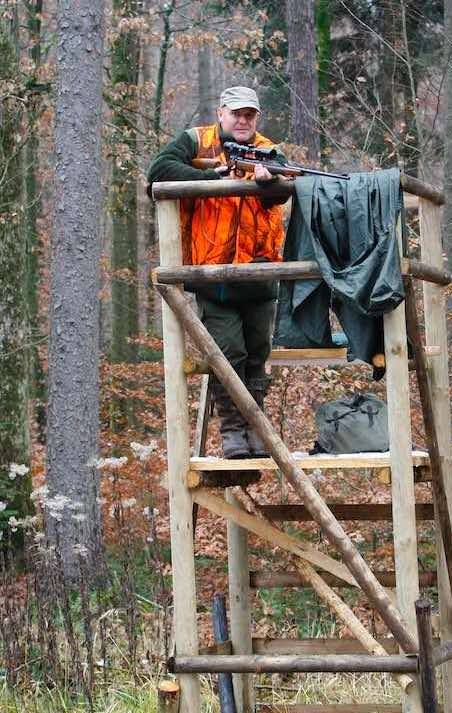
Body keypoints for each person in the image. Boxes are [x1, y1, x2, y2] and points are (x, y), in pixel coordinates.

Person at [147, 86, 289, 458]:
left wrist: (267, 181)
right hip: (213, 274)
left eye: (250, 115)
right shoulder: (197, 141)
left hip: (258, 273)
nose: (243, 121)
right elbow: (159, 171)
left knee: (258, 354)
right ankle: (232, 432)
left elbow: (282, 192)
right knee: (228, 353)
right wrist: (217, 178)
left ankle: (256, 430)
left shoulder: (267, 150)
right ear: (221, 112)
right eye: (236, 113)